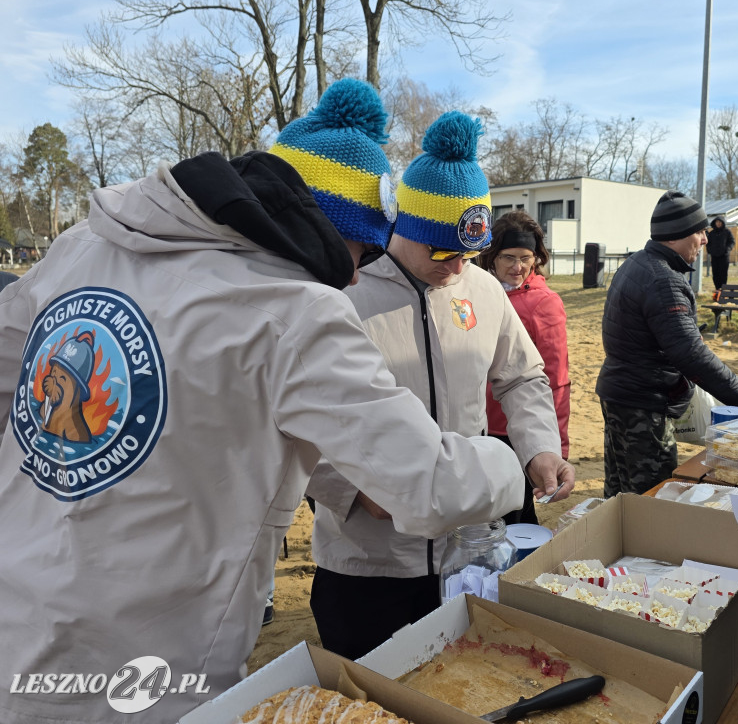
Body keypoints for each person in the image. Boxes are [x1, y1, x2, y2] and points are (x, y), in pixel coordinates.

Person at [0, 79, 526, 724]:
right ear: (320, 229)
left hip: (15, 608)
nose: (357, 274)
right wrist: (504, 460)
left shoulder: (81, 247)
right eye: (357, 249)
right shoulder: (295, 312)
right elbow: (431, 486)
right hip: (149, 663)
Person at [305, 111, 573, 661]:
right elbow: (293, 416)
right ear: (406, 226)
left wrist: (539, 448)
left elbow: (521, 375)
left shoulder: (483, 289)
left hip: (469, 548)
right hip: (370, 560)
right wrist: (350, 490)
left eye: (470, 255)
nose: (457, 270)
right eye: (443, 253)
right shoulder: (343, 292)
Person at [596, 191, 738, 497]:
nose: (705, 240)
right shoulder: (664, 281)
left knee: (619, 491)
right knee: (649, 495)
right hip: (643, 403)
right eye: (700, 232)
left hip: (621, 394)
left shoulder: (637, 264)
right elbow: (689, 353)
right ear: (677, 235)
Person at [480, 211, 570, 525]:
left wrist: (555, 443)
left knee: (514, 513)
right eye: (509, 258)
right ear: (491, 256)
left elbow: (555, 377)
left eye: (526, 258)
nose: (518, 267)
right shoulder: (476, 290)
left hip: (514, 428)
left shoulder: (543, 303)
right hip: (477, 425)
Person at [705, 215, 734, 295]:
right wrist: (710, 250)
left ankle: (723, 291)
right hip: (714, 257)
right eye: (717, 222)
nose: (718, 224)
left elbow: (731, 242)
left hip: (724, 257)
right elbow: (708, 243)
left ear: (723, 223)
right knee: (715, 274)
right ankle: (717, 290)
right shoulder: (712, 233)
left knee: (723, 274)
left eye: (720, 222)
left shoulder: (727, 232)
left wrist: (727, 249)